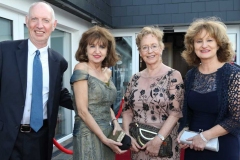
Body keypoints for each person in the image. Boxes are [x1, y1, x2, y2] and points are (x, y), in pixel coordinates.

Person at [0, 2, 73, 160]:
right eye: (34, 19)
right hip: (7, 139)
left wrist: (91, 105)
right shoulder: (4, 52)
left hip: (40, 140)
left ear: (54, 25)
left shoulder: (58, 61)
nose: (39, 26)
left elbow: (58, 93)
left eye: (45, 20)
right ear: (27, 21)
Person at [178, 17, 240, 160]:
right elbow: (188, 112)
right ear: (193, 46)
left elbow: (236, 118)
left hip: (224, 148)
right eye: (199, 41)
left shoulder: (233, 74)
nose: (204, 45)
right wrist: (184, 130)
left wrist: (205, 136)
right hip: (194, 147)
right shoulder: (191, 75)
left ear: (219, 44)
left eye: (209, 40)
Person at [122, 26, 184, 160]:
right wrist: (127, 135)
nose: (150, 51)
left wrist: (158, 140)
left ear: (161, 48)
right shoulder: (135, 78)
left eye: (154, 46)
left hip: (164, 146)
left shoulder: (173, 75)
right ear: (140, 51)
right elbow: (127, 111)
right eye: (145, 47)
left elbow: (175, 113)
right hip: (138, 146)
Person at [70, 25, 127, 160]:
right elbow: (82, 111)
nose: (97, 51)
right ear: (85, 49)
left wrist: (115, 123)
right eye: (92, 46)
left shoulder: (107, 72)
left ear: (108, 50)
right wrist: (104, 139)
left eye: (102, 47)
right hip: (87, 134)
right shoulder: (81, 68)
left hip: (107, 131)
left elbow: (106, 103)